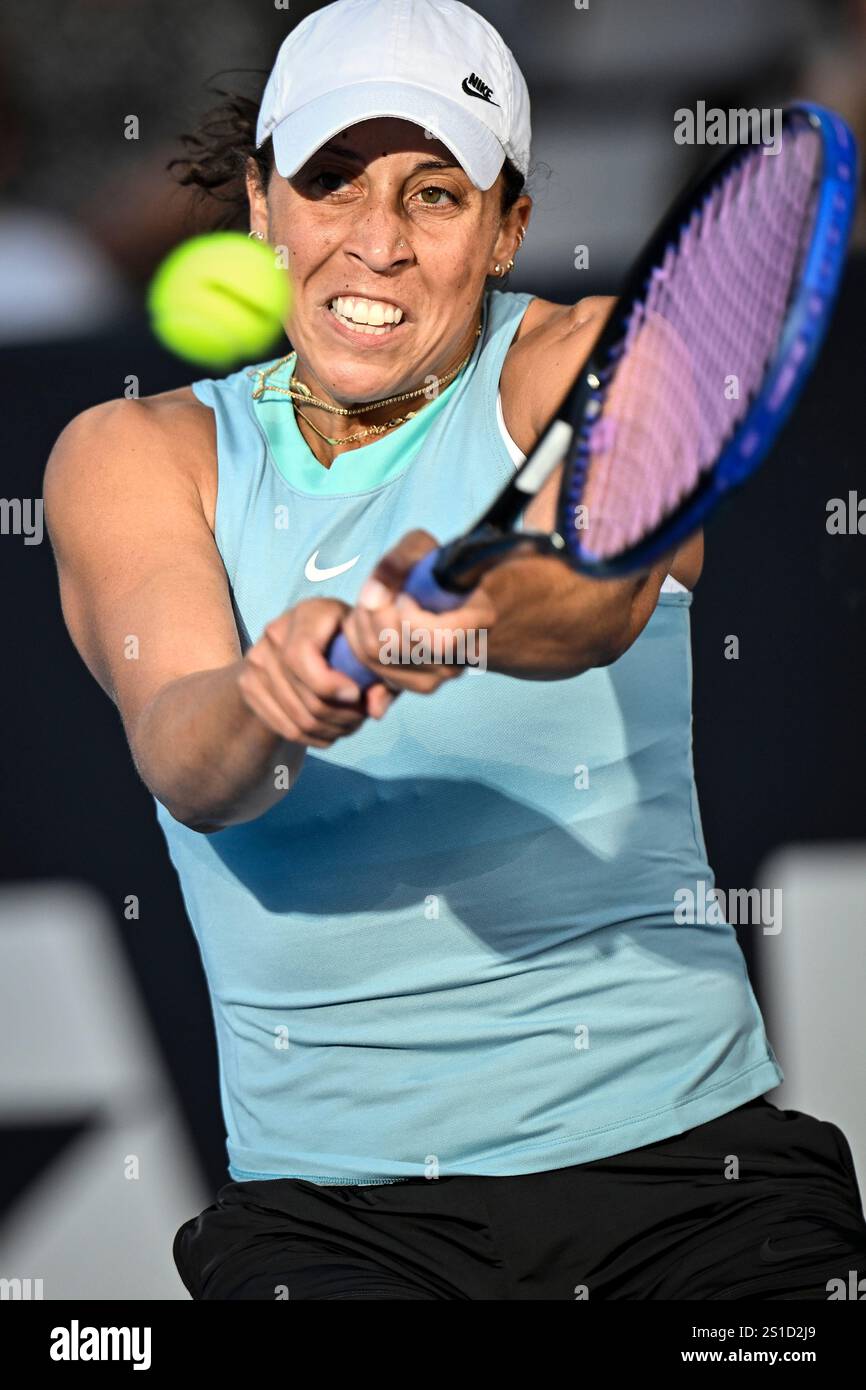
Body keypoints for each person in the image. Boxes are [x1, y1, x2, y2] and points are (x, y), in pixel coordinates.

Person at [44, 0, 866, 1300]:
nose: (374, 242)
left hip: (687, 1192)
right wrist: (275, 696)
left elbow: (589, 594)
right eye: (329, 183)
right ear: (262, 205)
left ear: (506, 227)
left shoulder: (588, 358)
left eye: (434, 194)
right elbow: (190, 759)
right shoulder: (131, 453)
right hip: (332, 1223)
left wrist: (458, 622)